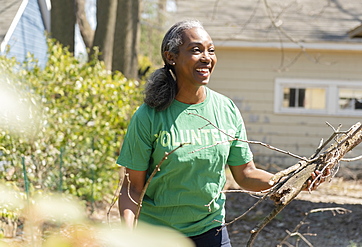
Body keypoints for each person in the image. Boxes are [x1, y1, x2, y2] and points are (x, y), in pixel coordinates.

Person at [117, 20, 323, 247]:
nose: (206, 57)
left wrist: (289, 181)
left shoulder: (226, 110)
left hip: (211, 231)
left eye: (211, 50)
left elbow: (245, 174)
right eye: (196, 50)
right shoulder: (149, 116)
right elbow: (132, 187)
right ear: (171, 57)